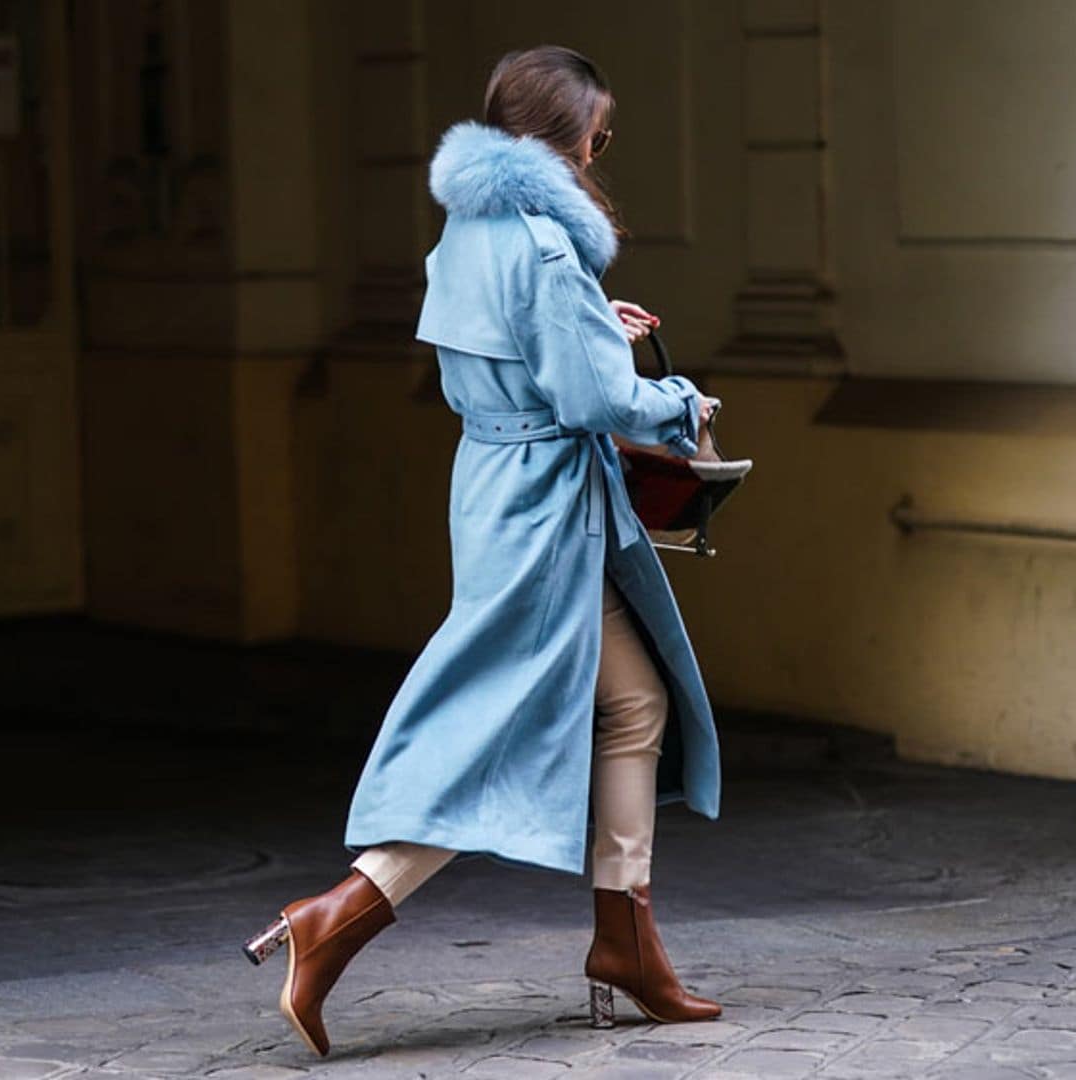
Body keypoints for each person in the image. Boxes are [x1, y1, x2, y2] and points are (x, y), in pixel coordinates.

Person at [241, 45, 724, 1057]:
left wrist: (595, 325)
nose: (602, 150)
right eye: (598, 133)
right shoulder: (548, 246)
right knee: (491, 730)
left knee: (631, 704)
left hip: (499, 492)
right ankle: (329, 921)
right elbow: (588, 400)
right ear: (564, 136)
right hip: (551, 507)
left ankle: (625, 941)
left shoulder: (467, 230)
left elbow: (513, 354)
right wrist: (679, 401)